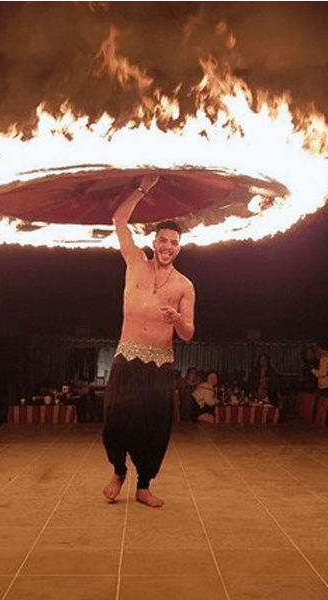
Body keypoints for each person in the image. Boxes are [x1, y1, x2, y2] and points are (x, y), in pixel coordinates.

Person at [102, 174, 196, 508]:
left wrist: (178, 320)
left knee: (154, 429)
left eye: (173, 243)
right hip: (127, 357)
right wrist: (143, 189)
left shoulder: (185, 286)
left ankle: (144, 485)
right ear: (154, 242)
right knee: (114, 421)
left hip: (160, 363)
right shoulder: (134, 263)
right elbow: (119, 219)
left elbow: (188, 334)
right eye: (162, 241)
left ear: (179, 248)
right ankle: (118, 470)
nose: (167, 247)